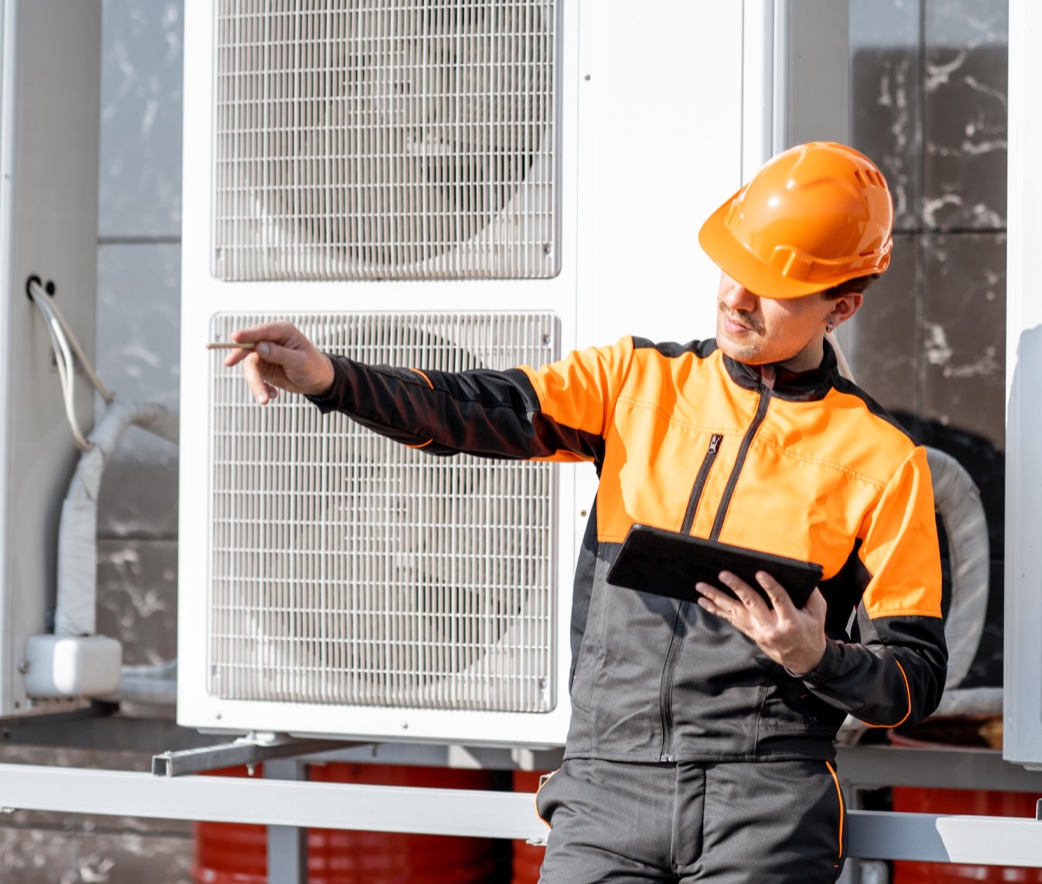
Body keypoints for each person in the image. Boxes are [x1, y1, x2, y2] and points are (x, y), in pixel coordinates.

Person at [225, 141, 947, 883]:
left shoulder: (884, 461)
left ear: (844, 305)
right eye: (735, 264)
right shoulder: (635, 382)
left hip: (765, 804)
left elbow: (915, 680)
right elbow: (473, 409)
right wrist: (332, 377)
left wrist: (814, 655)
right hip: (608, 785)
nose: (736, 297)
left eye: (772, 284)